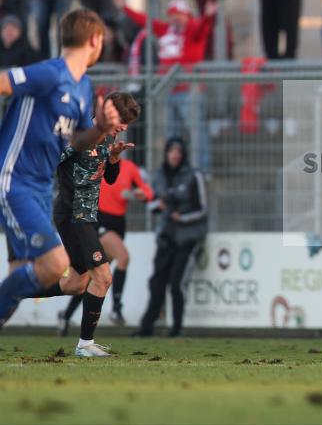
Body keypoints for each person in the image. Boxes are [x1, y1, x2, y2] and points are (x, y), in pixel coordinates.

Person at [0, 8, 122, 327]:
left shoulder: (83, 87)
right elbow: (3, 82)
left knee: (25, 278)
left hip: (41, 186)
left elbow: (80, 141)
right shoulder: (49, 73)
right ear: (95, 39)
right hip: (14, 179)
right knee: (56, 265)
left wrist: (101, 128)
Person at [37, 92, 139, 356]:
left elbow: (111, 180)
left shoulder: (108, 138)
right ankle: (85, 345)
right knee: (103, 277)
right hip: (73, 215)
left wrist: (114, 158)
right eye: (123, 121)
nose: (125, 128)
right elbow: (47, 160)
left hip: (86, 217)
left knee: (76, 285)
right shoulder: (81, 133)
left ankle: (10, 293)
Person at [58, 145, 154, 332]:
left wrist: (141, 195)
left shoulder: (130, 168)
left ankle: (66, 315)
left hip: (118, 225)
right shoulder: (96, 163)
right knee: (123, 257)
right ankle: (117, 309)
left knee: (93, 278)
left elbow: (148, 192)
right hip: (99, 221)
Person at [116, 0, 215, 173]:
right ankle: (173, 169)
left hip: (189, 91)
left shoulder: (193, 30)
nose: (175, 18)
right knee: (172, 133)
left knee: (196, 132)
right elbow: (146, 21)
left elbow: (204, 25)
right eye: (172, 15)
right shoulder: (165, 30)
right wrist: (126, 8)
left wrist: (208, 16)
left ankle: (202, 170)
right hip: (169, 91)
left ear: (187, 16)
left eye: (179, 14)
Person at [135, 138, 208, 338]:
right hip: (166, 236)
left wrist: (182, 217)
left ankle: (176, 328)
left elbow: (203, 209)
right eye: (171, 151)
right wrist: (156, 205)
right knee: (156, 282)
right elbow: (151, 204)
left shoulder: (194, 176)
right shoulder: (158, 176)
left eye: (178, 151)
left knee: (176, 284)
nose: (174, 155)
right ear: (166, 153)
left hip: (187, 238)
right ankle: (146, 327)